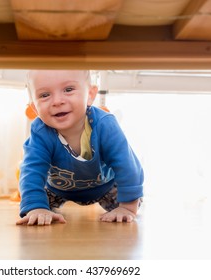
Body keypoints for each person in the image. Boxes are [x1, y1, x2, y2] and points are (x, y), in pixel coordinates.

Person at [16, 70, 144, 226]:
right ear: (35, 108)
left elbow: (127, 165)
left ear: (90, 94)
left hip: (106, 188)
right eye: (44, 95)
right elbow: (31, 171)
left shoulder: (105, 124)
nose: (57, 101)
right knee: (37, 205)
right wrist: (35, 207)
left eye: (68, 90)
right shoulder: (40, 132)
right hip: (56, 190)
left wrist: (128, 207)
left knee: (128, 203)